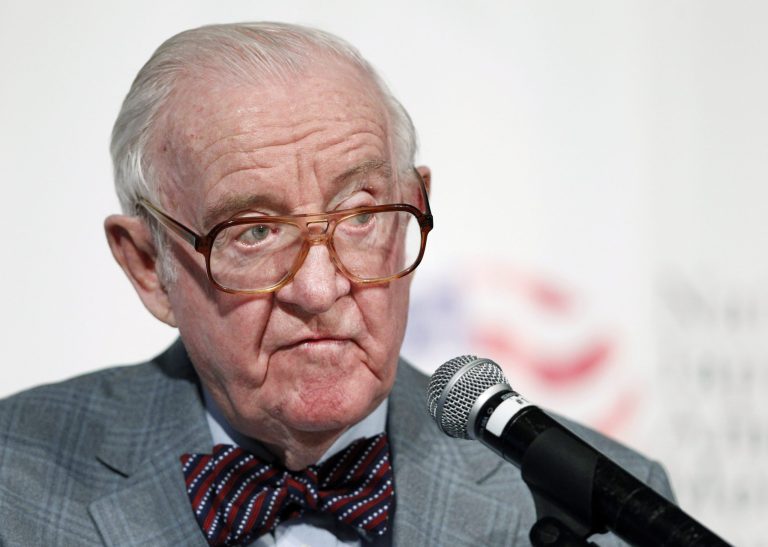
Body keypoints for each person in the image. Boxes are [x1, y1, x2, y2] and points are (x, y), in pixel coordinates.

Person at [0, 22, 673, 546]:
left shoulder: (615, 509)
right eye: (255, 231)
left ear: (414, 210)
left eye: (360, 215)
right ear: (148, 265)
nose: (320, 290)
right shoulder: (15, 486)